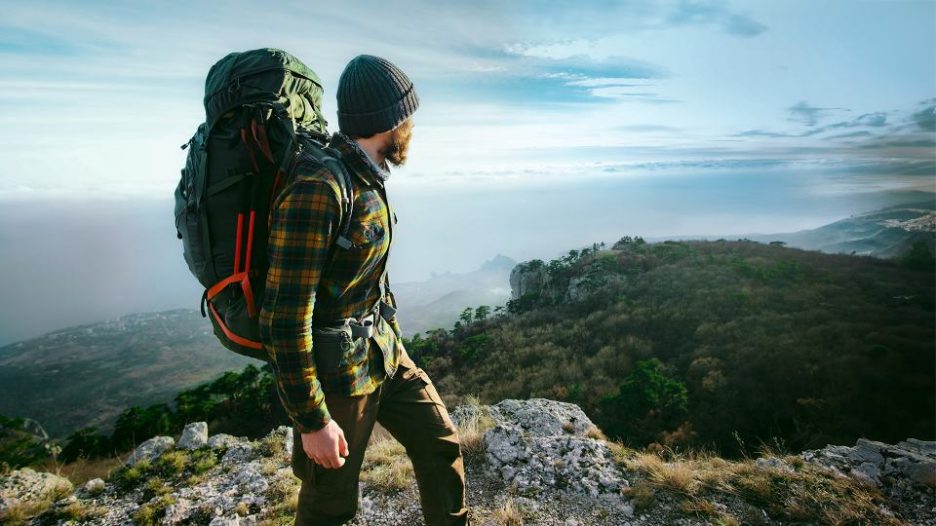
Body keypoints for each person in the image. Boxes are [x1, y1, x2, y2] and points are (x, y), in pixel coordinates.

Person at [259, 54, 469, 526]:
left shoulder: (366, 175)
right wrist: (312, 423)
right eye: (406, 114)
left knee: (440, 444)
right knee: (329, 503)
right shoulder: (320, 187)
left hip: (382, 354)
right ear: (388, 121)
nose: (411, 124)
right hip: (338, 379)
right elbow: (284, 318)